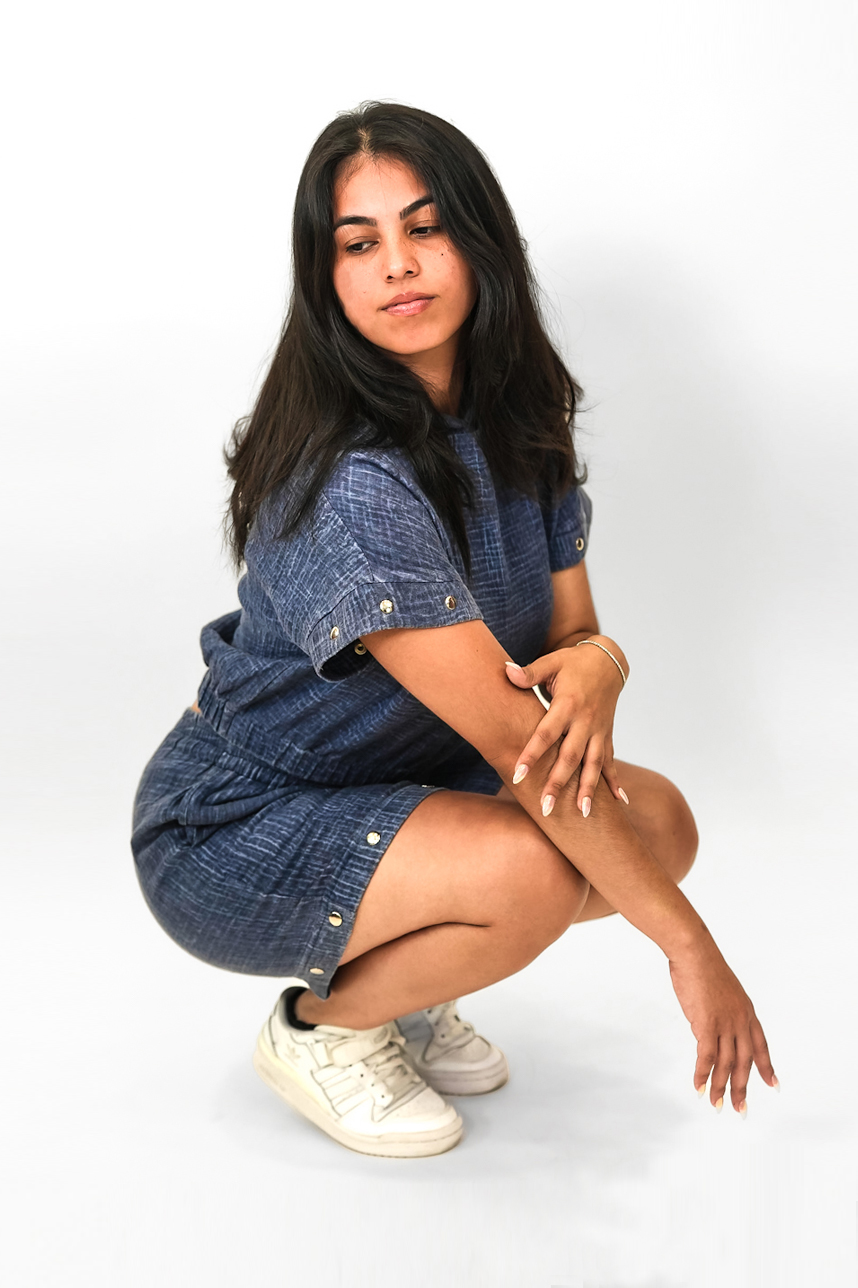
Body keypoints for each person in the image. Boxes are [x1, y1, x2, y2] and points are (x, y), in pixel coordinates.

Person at [131, 101, 777, 1159]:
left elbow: (572, 631)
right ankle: (326, 1028)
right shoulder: (352, 483)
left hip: (406, 778)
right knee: (535, 875)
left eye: (424, 228)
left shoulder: (514, 412)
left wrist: (602, 664)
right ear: (327, 280)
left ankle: (406, 977)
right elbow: (523, 745)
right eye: (359, 243)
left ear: (479, 242)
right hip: (239, 822)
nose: (397, 263)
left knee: (660, 826)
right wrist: (690, 949)